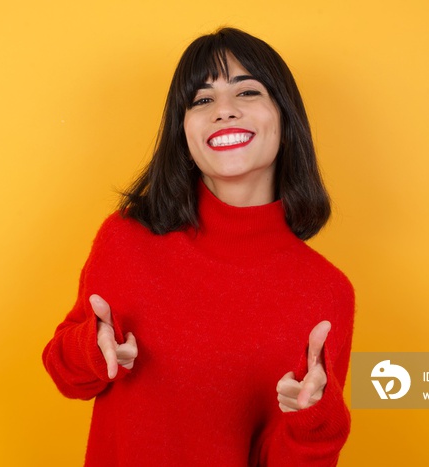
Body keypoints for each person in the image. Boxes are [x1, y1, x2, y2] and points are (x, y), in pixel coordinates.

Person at [42, 27, 355, 466]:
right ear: (183, 133)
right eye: (202, 100)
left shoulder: (326, 290)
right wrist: (92, 349)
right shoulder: (128, 237)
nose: (223, 111)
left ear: (285, 120)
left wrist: (312, 420)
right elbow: (65, 374)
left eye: (246, 92)